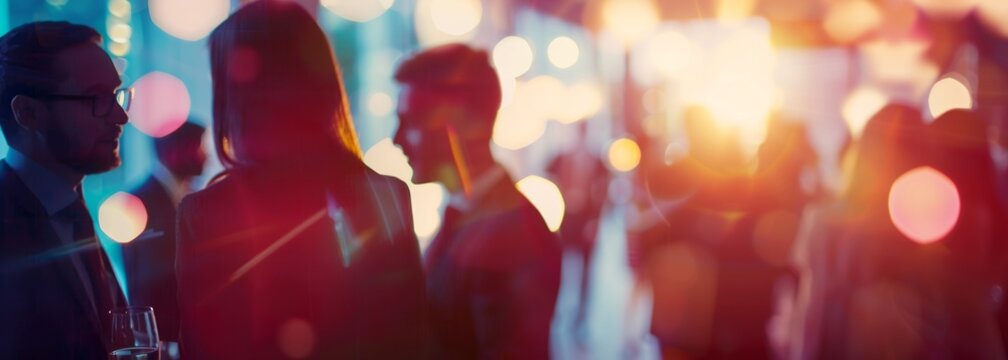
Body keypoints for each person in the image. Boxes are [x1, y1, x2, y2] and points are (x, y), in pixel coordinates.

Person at [175, 2, 427, 358]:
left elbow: (205, 350)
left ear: (238, 98)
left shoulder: (208, 214)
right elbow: (409, 340)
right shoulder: (386, 194)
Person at [394, 43, 562, 359]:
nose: (396, 140)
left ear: (466, 126)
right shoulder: (471, 215)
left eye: (412, 121)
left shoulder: (512, 236)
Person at [0, 21, 129, 357]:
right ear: (27, 113)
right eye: (94, 98)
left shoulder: (73, 209)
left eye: (115, 95)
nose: (119, 116)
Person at [122, 121, 207, 343]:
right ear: (172, 152)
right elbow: (142, 279)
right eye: (198, 148)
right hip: (159, 335)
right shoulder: (138, 202)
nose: (205, 156)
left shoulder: (196, 196)